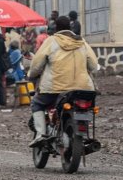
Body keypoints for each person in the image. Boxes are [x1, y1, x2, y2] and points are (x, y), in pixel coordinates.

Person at [28, 16, 98, 147]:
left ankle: (41, 134)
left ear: (55, 28)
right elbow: (94, 66)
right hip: (83, 89)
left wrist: (32, 75)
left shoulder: (51, 41)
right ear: (70, 28)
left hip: (54, 89)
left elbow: (37, 64)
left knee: (36, 103)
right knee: (87, 109)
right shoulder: (82, 42)